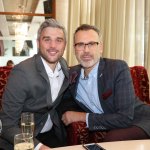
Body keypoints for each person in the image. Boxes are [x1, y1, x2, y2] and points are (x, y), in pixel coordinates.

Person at [61, 24, 150, 142]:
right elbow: (62, 102)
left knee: (112, 139)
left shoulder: (117, 68)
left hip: (140, 120)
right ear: (74, 49)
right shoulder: (71, 75)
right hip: (113, 126)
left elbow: (125, 118)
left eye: (92, 44)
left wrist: (83, 117)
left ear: (101, 47)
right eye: (80, 44)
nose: (86, 50)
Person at [0, 19, 69, 150]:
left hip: (52, 134)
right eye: (47, 39)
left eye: (59, 40)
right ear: (38, 43)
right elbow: (7, 124)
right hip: (20, 139)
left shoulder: (64, 66)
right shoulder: (22, 72)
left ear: (65, 44)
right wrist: (39, 147)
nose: (53, 45)